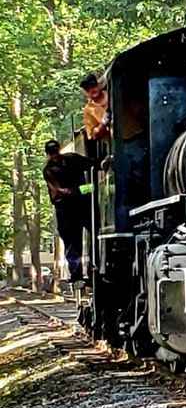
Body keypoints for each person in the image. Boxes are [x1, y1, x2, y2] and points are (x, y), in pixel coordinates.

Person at [42, 140, 92, 286]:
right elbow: (60, 191)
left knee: (93, 234)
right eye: (52, 153)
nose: (55, 156)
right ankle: (76, 275)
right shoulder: (49, 171)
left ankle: (91, 269)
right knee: (72, 243)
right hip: (65, 209)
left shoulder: (72, 159)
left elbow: (91, 163)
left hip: (83, 205)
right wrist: (87, 189)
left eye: (56, 152)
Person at [80, 73, 110, 141]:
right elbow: (93, 135)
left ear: (98, 85)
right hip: (114, 145)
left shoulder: (112, 93)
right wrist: (103, 123)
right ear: (86, 92)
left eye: (93, 86)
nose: (91, 90)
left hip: (134, 134)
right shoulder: (88, 110)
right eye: (88, 89)